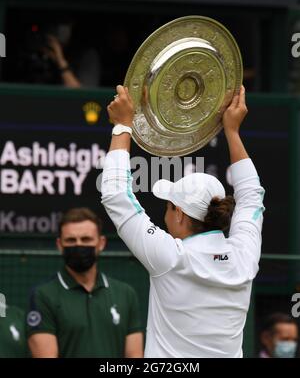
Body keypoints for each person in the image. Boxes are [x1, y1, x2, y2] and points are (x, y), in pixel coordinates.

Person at [101, 85, 265, 358]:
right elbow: (252, 197)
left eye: (168, 206)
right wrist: (233, 132)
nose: (165, 216)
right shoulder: (243, 256)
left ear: (178, 212)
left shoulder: (171, 257)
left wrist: (122, 126)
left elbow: (116, 195)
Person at [26, 207, 143, 358]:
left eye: (86, 239)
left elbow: (134, 355)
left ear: (101, 243)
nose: (79, 245)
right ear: (59, 245)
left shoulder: (125, 294)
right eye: (71, 240)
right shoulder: (43, 295)